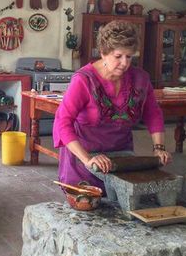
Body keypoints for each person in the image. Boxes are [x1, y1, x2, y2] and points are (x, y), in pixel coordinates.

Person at [53, 20, 171, 192]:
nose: (125, 63)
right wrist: (88, 160)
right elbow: (63, 122)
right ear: (103, 53)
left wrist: (159, 148)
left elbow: (153, 113)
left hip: (121, 158)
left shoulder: (140, 79)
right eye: (118, 56)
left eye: (129, 56)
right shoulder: (84, 80)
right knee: (89, 208)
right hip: (84, 160)